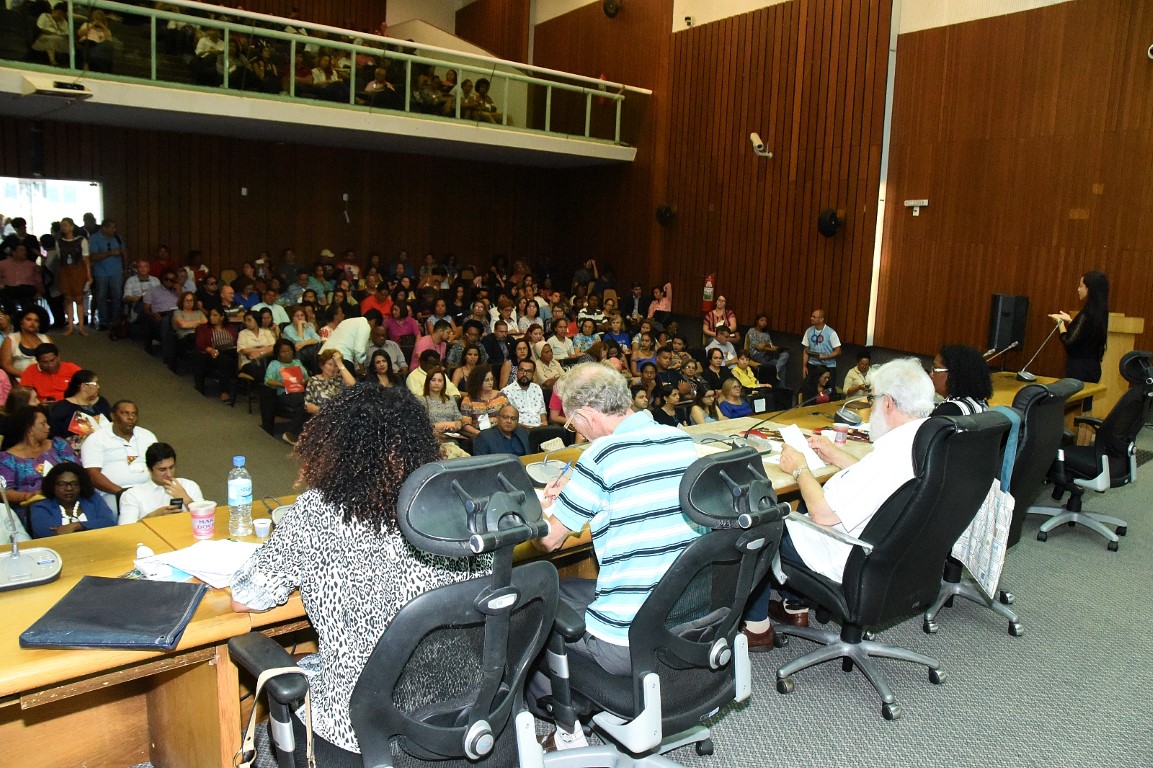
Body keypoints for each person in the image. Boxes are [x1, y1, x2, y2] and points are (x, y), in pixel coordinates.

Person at [230, 384, 481, 758]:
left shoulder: (316, 511)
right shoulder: (455, 502)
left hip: (358, 726)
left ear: (339, 445)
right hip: (460, 709)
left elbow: (246, 596)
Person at [741, 358, 936, 646]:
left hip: (852, 557)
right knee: (811, 497)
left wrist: (799, 468)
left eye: (873, 398)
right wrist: (835, 456)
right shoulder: (924, 442)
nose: (871, 406)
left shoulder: (891, 453)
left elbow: (823, 515)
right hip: (894, 556)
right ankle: (795, 606)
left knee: (763, 516)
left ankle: (757, 629)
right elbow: (878, 479)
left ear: (889, 404)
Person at [536, 362, 702, 679]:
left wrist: (537, 508)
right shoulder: (679, 440)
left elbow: (548, 540)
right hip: (684, 620)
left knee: (535, 605)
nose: (579, 432)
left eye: (574, 424)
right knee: (572, 588)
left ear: (585, 415)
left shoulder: (600, 456)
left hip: (624, 645)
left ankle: (566, 723)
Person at [80, 400, 158, 511]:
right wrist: (122, 492)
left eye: (134, 413)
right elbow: (93, 475)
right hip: (112, 492)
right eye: (125, 413)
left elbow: (160, 464)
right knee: (113, 513)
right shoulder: (96, 440)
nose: (130, 417)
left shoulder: (147, 436)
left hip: (147, 489)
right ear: (113, 416)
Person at [0, 407, 78, 504]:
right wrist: (29, 496)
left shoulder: (58, 444)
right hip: (32, 505)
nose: (48, 426)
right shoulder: (7, 459)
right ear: (29, 430)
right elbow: (4, 492)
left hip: (68, 498)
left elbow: (75, 470)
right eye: (43, 424)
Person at [117, 443, 205, 525]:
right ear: (149, 469)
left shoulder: (189, 485)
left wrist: (188, 501)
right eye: (162, 470)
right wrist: (154, 516)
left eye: (171, 467)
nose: (169, 474)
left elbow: (206, 520)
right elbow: (125, 531)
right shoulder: (132, 495)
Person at [27, 461, 116, 538]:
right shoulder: (40, 506)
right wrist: (92, 526)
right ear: (52, 485)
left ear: (81, 485)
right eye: (62, 484)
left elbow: (108, 522)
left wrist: (78, 526)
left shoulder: (93, 499)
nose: (69, 488)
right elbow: (47, 533)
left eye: (74, 484)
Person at [1050, 270, 1109, 383]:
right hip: (1093, 368)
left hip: (1079, 369)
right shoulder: (1101, 312)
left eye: (1081, 286)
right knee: (1086, 401)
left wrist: (1060, 323)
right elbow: (1085, 332)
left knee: (1076, 400)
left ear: (1089, 289)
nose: (1078, 289)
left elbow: (1069, 341)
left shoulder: (1086, 313)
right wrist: (1071, 320)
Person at [47, 369, 110, 448]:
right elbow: (54, 434)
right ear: (84, 386)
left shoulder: (101, 403)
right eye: (95, 383)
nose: (98, 386)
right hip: (72, 451)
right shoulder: (62, 407)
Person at [265, 338, 309, 444]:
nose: (287, 354)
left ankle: (302, 433)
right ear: (278, 354)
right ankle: (293, 433)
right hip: (285, 392)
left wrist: (303, 380)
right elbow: (268, 380)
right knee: (302, 403)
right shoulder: (274, 364)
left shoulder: (297, 362)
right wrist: (283, 384)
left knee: (309, 402)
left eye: (289, 350)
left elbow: (307, 377)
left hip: (300, 389)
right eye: (283, 352)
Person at [930, 344, 992, 416]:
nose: (931, 374)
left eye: (935, 368)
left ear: (953, 374)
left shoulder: (948, 411)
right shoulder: (980, 403)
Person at [801, 309, 841, 403]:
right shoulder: (809, 331)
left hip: (828, 366)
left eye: (814, 317)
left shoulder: (831, 333)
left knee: (829, 390)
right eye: (812, 316)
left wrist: (825, 357)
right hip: (812, 364)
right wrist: (804, 366)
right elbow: (806, 350)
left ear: (821, 319)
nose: (811, 318)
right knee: (808, 388)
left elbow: (838, 351)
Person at [0, 308, 51, 381]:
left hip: (46, 377)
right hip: (20, 379)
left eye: (36, 321)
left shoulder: (46, 338)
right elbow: (5, 365)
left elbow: (55, 360)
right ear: (21, 321)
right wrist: (27, 376)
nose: (32, 323)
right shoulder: (11, 339)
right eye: (28, 319)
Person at [305, 349, 357, 416]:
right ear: (322, 365)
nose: (332, 368)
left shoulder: (341, 378)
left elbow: (353, 385)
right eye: (329, 364)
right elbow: (308, 406)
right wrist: (328, 411)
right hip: (322, 418)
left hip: (342, 418)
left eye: (336, 366)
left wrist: (340, 363)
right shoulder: (314, 381)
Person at [745, 313, 789, 387]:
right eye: (762, 320)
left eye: (765, 321)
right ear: (757, 321)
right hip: (756, 355)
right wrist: (766, 345)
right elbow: (758, 347)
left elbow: (772, 347)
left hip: (767, 355)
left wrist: (766, 346)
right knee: (776, 366)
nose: (764, 322)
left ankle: (778, 374)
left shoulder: (766, 334)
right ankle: (779, 382)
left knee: (785, 355)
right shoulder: (752, 331)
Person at [501, 358, 547, 427]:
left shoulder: (537, 388)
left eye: (528, 371)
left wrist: (544, 428)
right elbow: (509, 421)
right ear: (517, 371)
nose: (524, 374)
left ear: (533, 374)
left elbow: (542, 415)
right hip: (520, 430)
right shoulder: (506, 392)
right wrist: (529, 428)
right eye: (522, 370)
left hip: (539, 430)